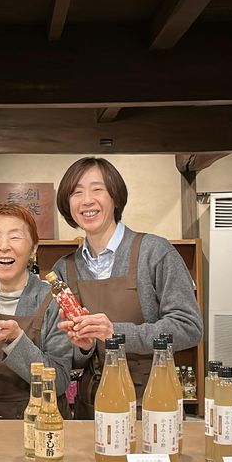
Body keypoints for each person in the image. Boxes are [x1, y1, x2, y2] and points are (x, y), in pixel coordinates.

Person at [51, 157, 203, 419]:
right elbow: (69, 355)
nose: (87, 200)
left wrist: (115, 333)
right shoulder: (64, 269)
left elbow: (188, 327)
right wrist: (84, 346)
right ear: (68, 204)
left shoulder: (155, 252)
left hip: (151, 400)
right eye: (76, 192)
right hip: (92, 404)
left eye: (97, 189)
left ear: (115, 197)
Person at [0, 204, 71, 418]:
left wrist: (17, 339)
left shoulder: (53, 300)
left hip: (41, 422)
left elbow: (60, 382)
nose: (4, 246)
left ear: (34, 248)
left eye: (15, 237)